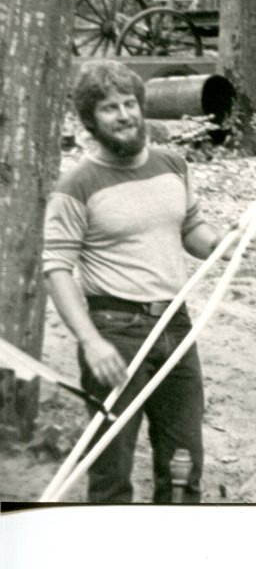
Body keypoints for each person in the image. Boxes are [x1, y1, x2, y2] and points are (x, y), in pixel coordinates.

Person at [43, 60, 235, 503]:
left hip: (176, 326)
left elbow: (191, 228)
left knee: (184, 461)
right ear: (90, 121)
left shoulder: (173, 165)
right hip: (115, 331)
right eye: (110, 108)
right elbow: (57, 269)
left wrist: (218, 244)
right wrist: (91, 342)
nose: (125, 114)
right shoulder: (76, 186)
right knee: (111, 468)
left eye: (130, 103)